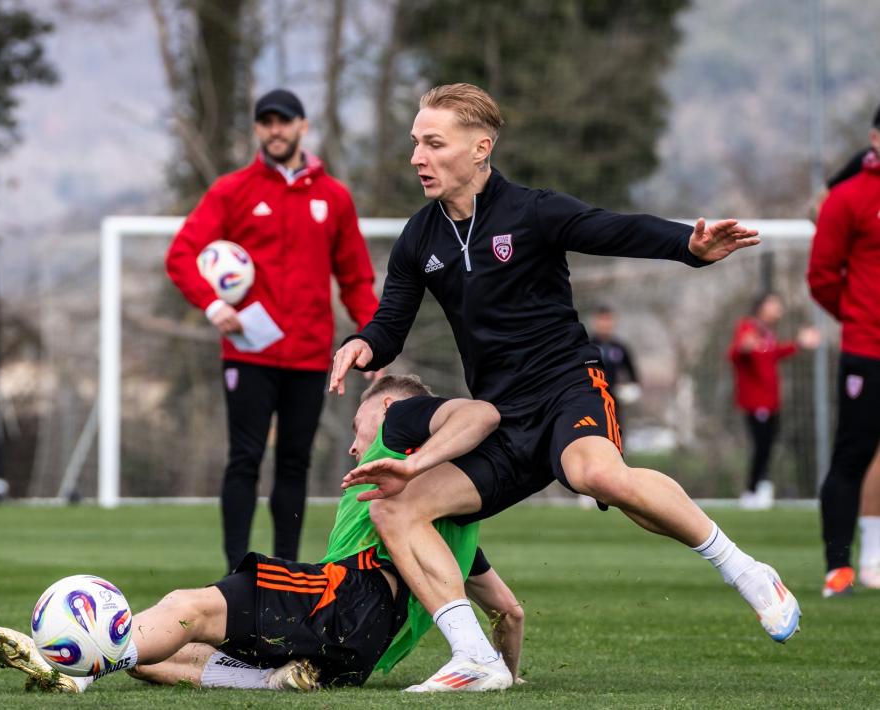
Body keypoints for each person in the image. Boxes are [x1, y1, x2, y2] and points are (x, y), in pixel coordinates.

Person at [329, 83, 800, 691]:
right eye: (415, 142)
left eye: (433, 143)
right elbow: (391, 323)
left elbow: (613, 229)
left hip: (567, 387)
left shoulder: (531, 211)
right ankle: (475, 658)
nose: (417, 156)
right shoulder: (420, 239)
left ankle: (747, 572)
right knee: (395, 504)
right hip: (501, 416)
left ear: (480, 149)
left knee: (594, 474)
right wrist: (363, 343)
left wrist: (689, 246)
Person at [0, 375, 525, 693]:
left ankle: (64, 660)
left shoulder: (400, 419)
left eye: (359, 427)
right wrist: (509, 676)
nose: (357, 447)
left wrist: (415, 458)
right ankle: (268, 679)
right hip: (357, 657)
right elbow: (510, 612)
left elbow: (479, 414)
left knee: (190, 606)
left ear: (386, 407)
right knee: (159, 656)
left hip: (348, 597)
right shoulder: (452, 536)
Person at [165, 89, 379, 571]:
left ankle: (286, 571)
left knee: (294, 463)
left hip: (307, 356)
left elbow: (356, 278)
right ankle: (236, 574)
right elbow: (181, 255)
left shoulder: (334, 198)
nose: (275, 130)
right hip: (248, 354)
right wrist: (212, 303)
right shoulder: (232, 190)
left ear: (303, 126)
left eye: (284, 121)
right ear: (257, 129)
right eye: (266, 122)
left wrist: (373, 338)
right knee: (244, 458)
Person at [807, 101, 880, 596]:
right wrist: (858, 317)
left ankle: (874, 558)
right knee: (852, 456)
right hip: (867, 351)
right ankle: (840, 567)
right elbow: (822, 277)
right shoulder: (849, 198)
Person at [728, 293, 820, 509]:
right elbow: (736, 353)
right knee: (761, 446)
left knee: (768, 445)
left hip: (771, 402)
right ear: (761, 306)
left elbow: (774, 353)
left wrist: (798, 343)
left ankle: (761, 488)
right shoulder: (748, 327)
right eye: (774, 304)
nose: (779, 309)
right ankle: (752, 491)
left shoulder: (766, 332)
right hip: (756, 402)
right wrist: (743, 347)